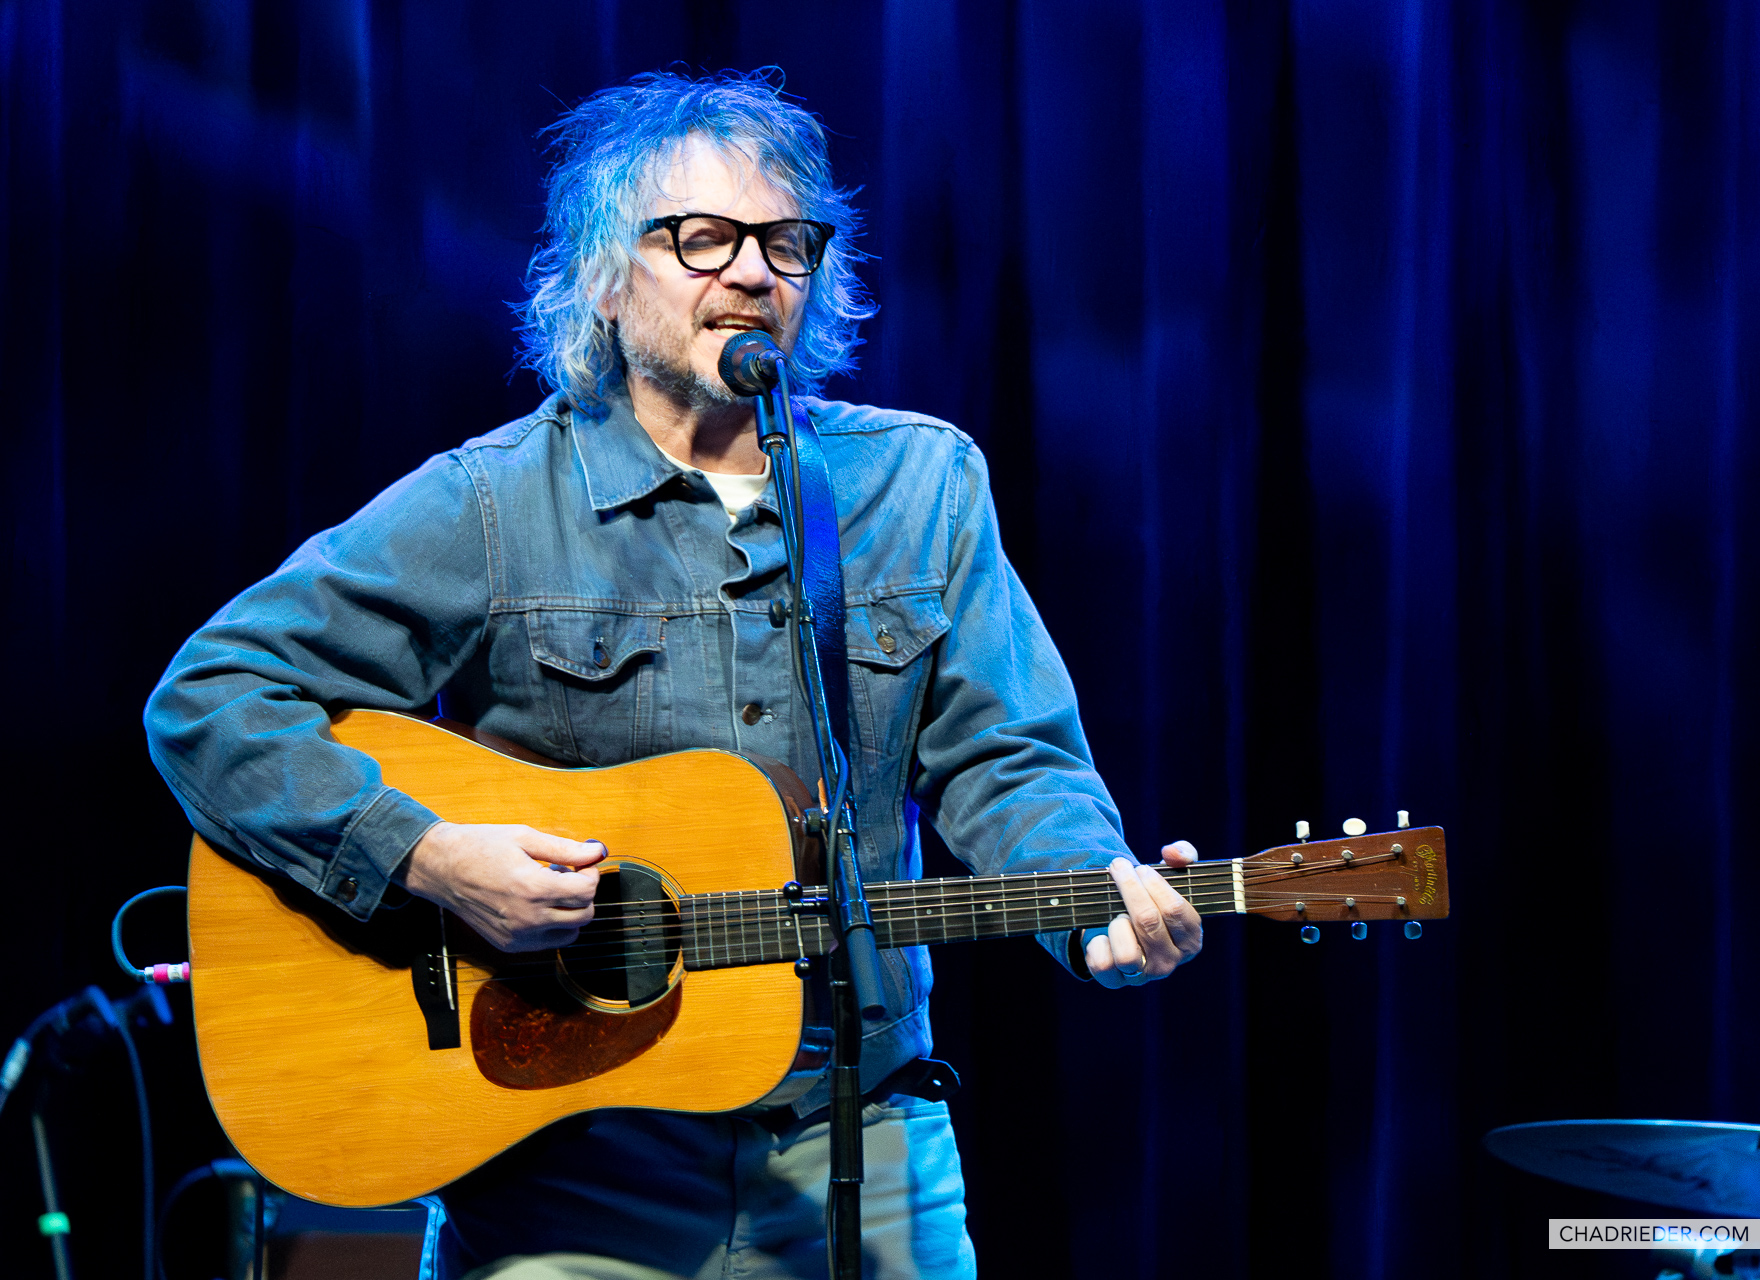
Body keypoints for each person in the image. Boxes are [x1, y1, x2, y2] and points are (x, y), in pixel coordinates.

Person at [144, 69, 1203, 1280]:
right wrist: (429, 856)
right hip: (571, 1154)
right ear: (603, 273)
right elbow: (214, 696)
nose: (752, 272)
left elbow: (1010, 757)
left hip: (863, 1131)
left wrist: (1091, 891)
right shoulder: (493, 501)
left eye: (785, 243)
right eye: (700, 238)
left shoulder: (920, 486)